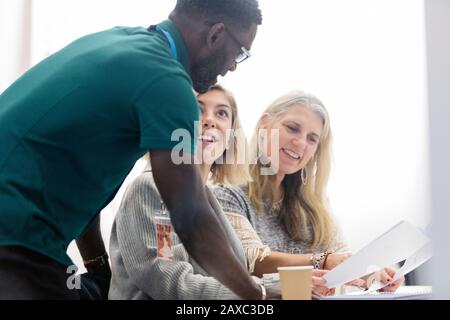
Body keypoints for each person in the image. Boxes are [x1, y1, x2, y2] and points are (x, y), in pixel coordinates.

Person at [0, 0, 268, 299]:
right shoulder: (166, 80)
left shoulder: (118, 42)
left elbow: (82, 178)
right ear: (216, 34)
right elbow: (189, 219)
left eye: (223, 114)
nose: (233, 65)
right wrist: (257, 297)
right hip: (15, 234)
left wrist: (99, 268)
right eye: (240, 52)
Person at [109, 85, 333, 299]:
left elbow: (235, 279)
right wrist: (263, 292)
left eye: (222, 113)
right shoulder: (154, 190)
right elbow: (167, 277)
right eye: (198, 109)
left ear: (230, 137)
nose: (209, 120)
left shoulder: (206, 201)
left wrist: (286, 285)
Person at [213, 90, 404, 292]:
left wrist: (371, 274)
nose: (301, 143)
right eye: (292, 128)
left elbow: (340, 259)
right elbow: (251, 259)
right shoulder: (227, 194)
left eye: (312, 139)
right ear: (264, 123)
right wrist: (322, 261)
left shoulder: (315, 205)